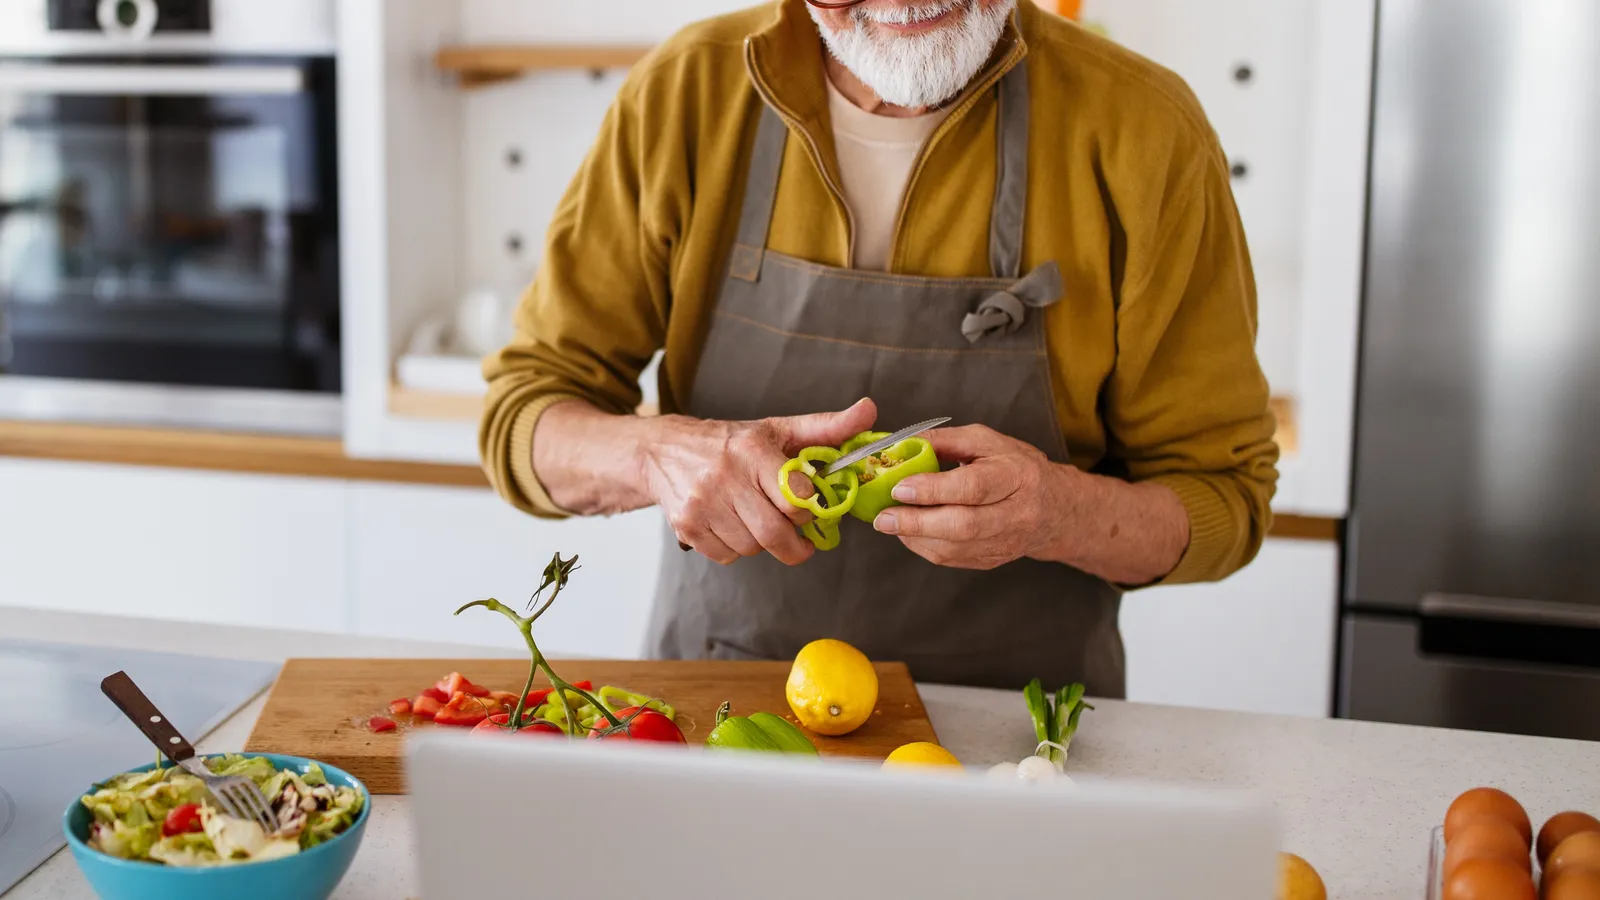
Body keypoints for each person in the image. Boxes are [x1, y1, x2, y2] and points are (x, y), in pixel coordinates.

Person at [480, 0, 1279, 694]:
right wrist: (658, 455)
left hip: (1022, 744)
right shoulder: (686, 91)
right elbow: (524, 419)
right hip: (724, 715)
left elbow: (1225, 498)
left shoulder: (1144, 129)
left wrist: (1059, 514)